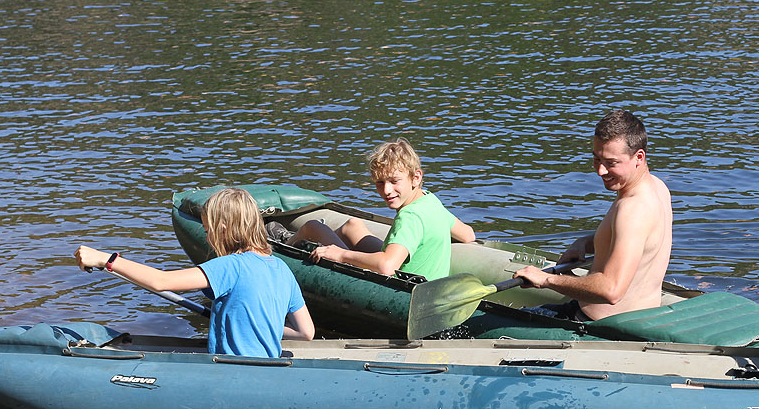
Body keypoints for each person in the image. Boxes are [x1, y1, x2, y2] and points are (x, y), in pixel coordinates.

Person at [75, 187, 314, 357]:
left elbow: (161, 281)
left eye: (209, 230)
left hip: (233, 374)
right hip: (268, 369)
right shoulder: (281, 268)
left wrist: (106, 259)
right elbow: (306, 332)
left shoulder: (230, 266)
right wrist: (257, 324)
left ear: (223, 229)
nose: (208, 238)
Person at [513, 109, 672, 321]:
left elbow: (611, 290)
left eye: (611, 162)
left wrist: (545, 280)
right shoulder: (657, 187)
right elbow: (637, 241)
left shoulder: (633, 209)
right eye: (597, 159)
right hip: (640, 318)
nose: (600, 171)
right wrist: (586, 243)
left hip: (601, 326)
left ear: (639, 157)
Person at [289, 138, 475, 280]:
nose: (386, 191)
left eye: (394, 181)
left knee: (313, 227)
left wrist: (341, 254)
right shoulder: (430, 200)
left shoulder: (409, 216)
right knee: (352, 226)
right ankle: (320, 247)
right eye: (380, 182)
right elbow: (468, 235)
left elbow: (387, 266)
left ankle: (282, 248)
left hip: (400, 286)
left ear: (416, 177)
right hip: (413, 274)